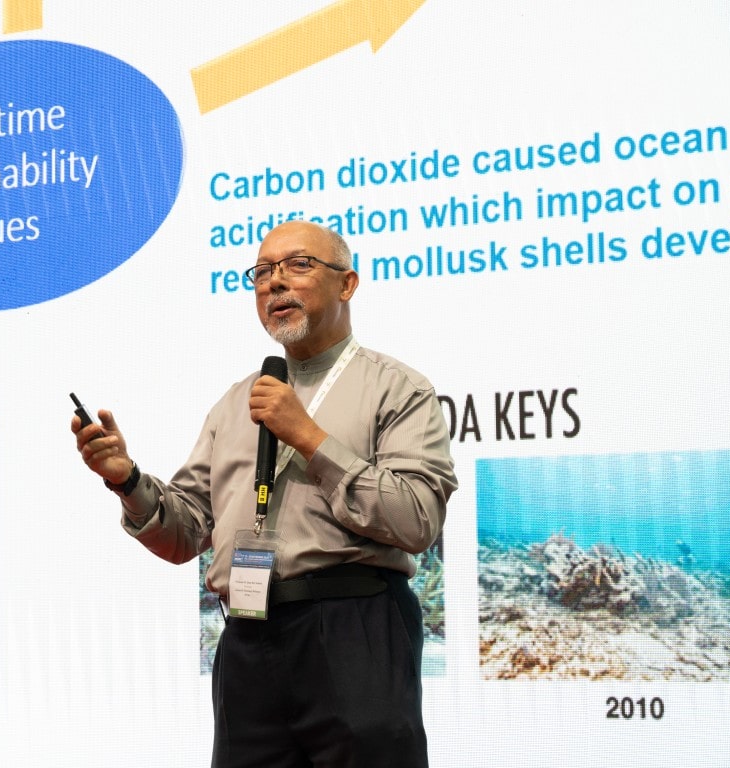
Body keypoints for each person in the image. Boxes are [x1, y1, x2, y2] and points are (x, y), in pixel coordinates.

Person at [73, 220, 457, 767]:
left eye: (298, 265)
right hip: (248, 640)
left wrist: (308, 437)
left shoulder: (397, 389)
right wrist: (126, 479)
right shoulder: (235, 403)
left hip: (354, 626)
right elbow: (185, 532)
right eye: (262, 272)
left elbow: (416, 520)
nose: (275, 282)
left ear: (347, 284)